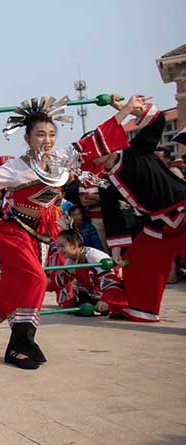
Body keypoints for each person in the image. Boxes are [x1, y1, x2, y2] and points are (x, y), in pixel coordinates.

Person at [0, 95, 137, 369]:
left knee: (15, 289)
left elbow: (92, 143)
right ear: (26, 137)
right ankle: (20, 345)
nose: (46, 140)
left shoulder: (61, 160)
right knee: (37, 281)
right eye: (40, 134)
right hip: (14, 232)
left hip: (39, 234)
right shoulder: (17, 168)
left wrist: (127, 110)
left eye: (51, 134)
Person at [77, 94, 185, 322]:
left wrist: (124, 107)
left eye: (96, 149)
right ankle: (142, 310)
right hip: (157, 225)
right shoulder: (104, 180)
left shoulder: (136, 150)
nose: (94, 157)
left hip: (183, 212)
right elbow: (111, 213)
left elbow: (157, 122)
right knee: (136, 264)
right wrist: (116, 251)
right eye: (90, 154)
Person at [49, 230, 127, 315]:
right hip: (90, 292)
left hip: (108, 292)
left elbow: (112, 282)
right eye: (58, 246)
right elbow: (60, 282)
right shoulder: (71, 259)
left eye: (62, 246)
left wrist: (105, 300)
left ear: (74, 246)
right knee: (71, 305)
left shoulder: (94, 257)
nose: (59, 250)